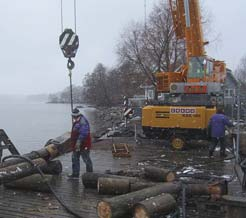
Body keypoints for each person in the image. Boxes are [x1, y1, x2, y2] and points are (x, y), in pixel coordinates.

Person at [68, 108, 93, 179]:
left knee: (86, 159)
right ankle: (75, 175)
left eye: (74, 116)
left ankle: (90, 175)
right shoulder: (76, 121)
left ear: (77, 115)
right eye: (72, 116)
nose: (73, 117)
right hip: (76, 145)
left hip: (84, 144)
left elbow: (84, 133)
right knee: (74, 159)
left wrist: (78, 142)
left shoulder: (83, 121)